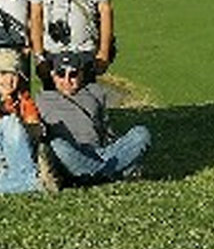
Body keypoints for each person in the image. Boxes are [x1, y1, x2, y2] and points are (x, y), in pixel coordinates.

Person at [36, 52, 149, 186]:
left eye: (73, 74)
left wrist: (116, 146)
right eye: (61, 74)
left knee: (141, 133)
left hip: (100, 153)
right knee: (57, 146)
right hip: (71, 155)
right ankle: (110, 173)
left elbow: (106, 129)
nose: (67, 80)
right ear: (53, 75)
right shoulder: (41, 99)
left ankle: (95, 174)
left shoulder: (95, 92)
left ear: (81, 75)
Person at [0, 48, 42, 153]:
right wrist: (23, 129)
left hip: (15, 151)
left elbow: (34, 125)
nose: (9, 81)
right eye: (3, 73)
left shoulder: (23, 98)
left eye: (14, 74)